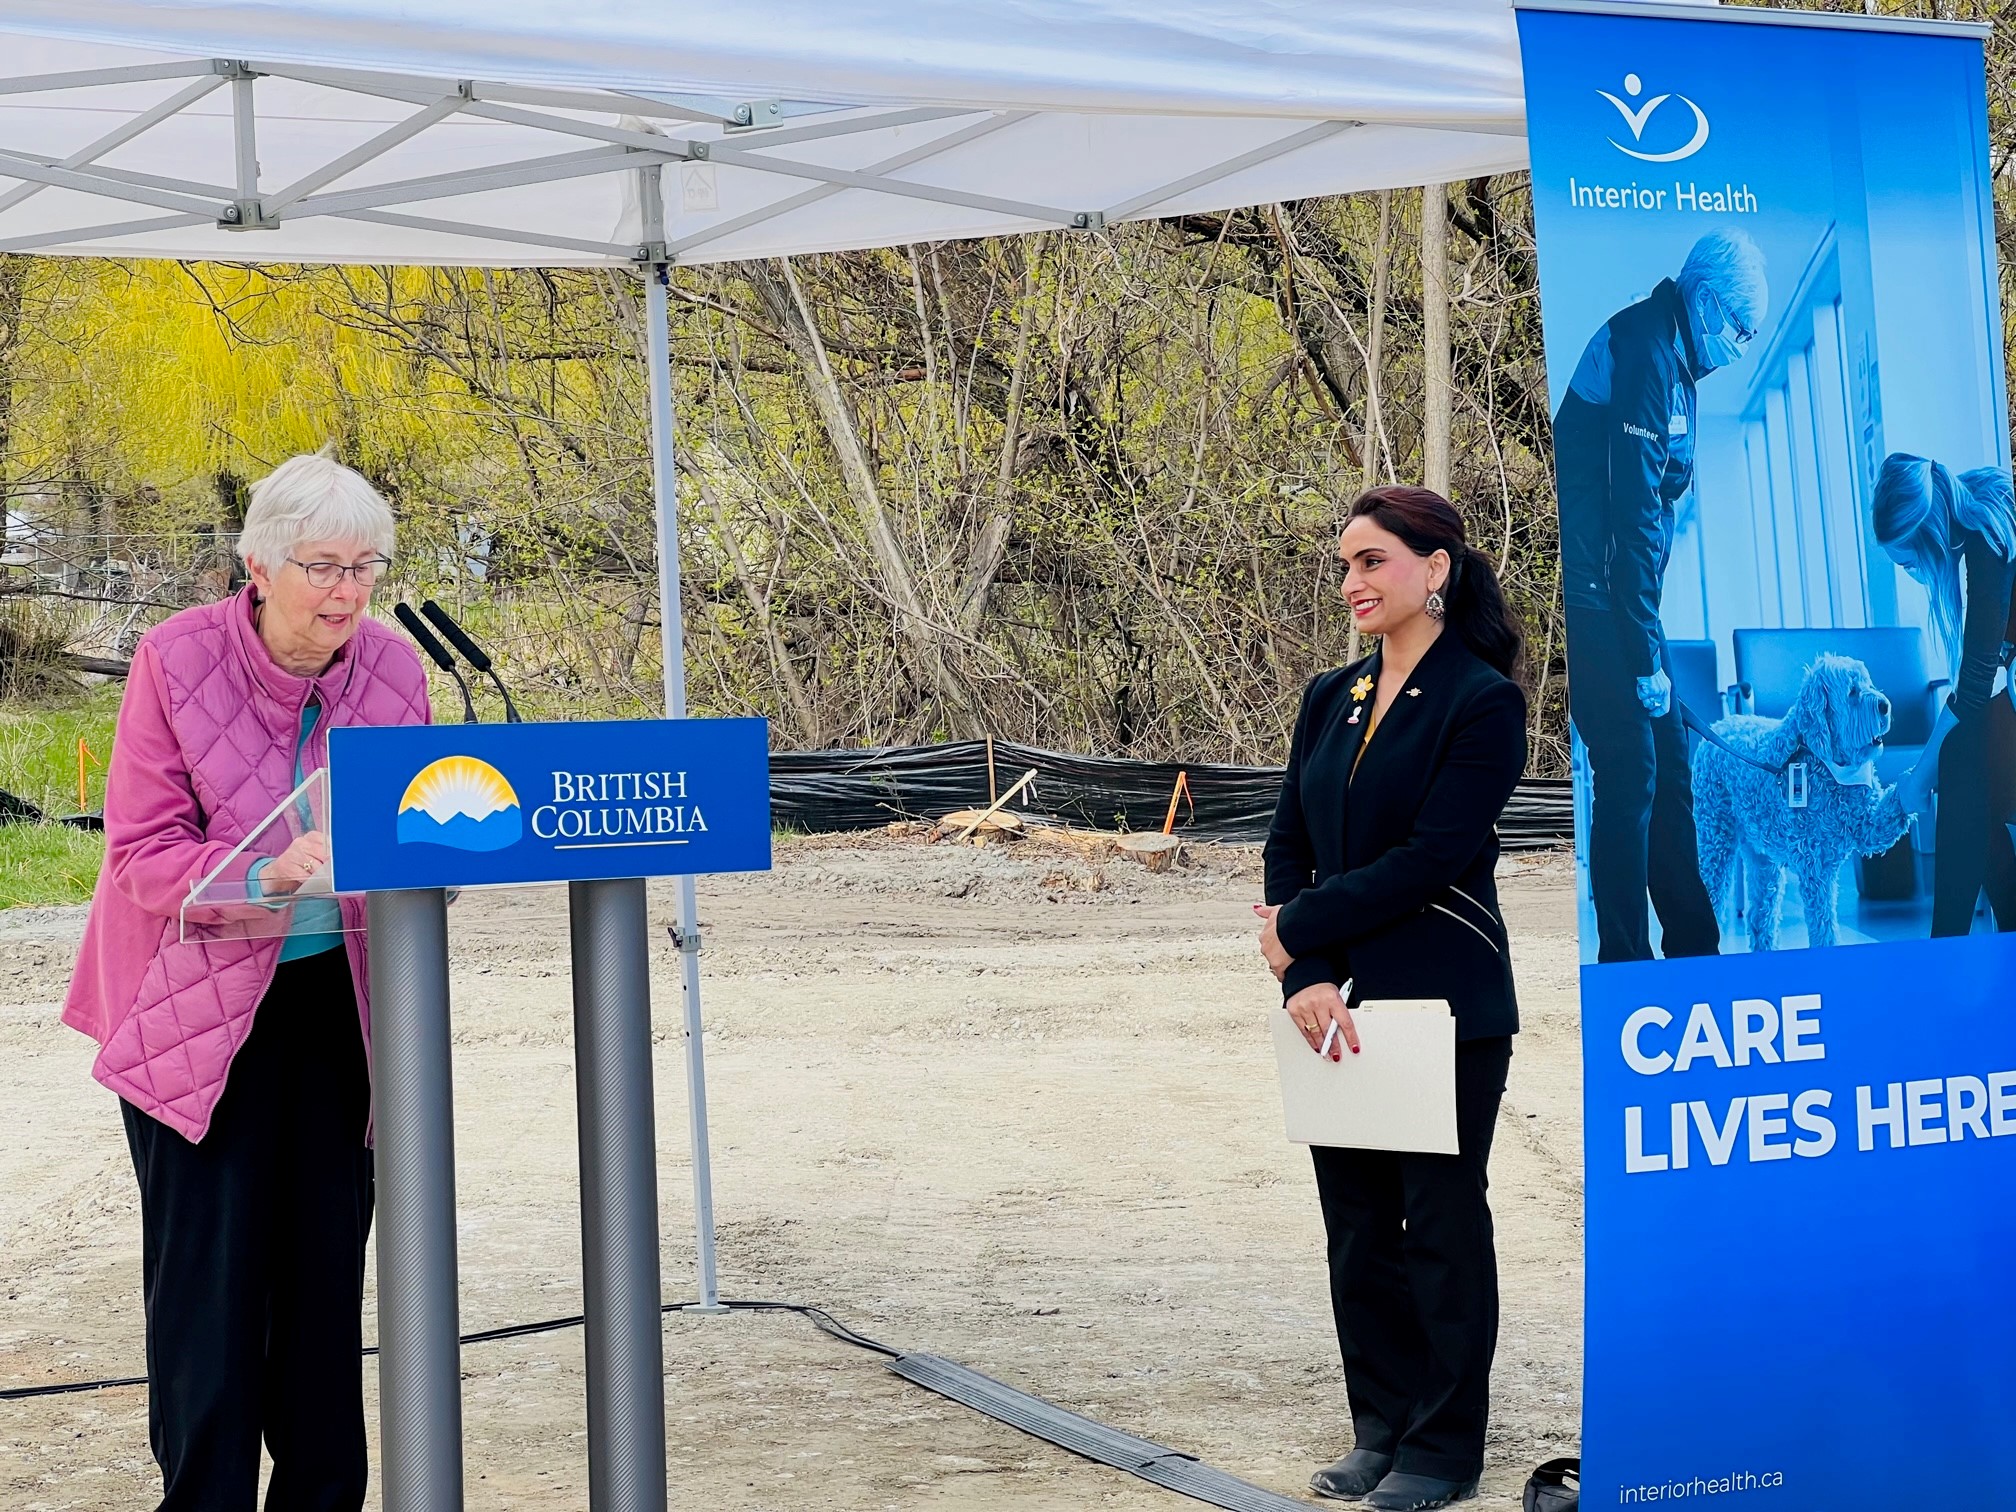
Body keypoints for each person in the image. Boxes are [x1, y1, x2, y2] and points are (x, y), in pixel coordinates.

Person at [62, 450, 431, 1510]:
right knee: (211, 1301)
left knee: (321, 1292)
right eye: (323, 566)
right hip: (194, 1009)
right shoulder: (175, 660)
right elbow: (140, 856)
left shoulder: (397, 672)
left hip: (338, 1013)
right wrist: (265, 871)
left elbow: (421, 832)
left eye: (368, 567)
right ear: (258, 566)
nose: (348, 592)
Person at [1258, 486, 1528, 1511]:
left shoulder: (1481, 701)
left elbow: (1431, 859)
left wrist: (1292, 929)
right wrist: (1305, 970)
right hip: (1333, 1006)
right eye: (1345, 566)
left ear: (1437, 567)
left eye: (1372, 561)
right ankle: (1381, 1425)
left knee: (1440, 1227)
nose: (1352, 583)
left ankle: (1444, 1449)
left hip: (1441, 1005)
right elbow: (1291, 842)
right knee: (1358, 1226)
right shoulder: (1334, 696)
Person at [1556, 229, 1768, 962]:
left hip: (1621, 596)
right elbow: (1636, 513)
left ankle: (1696, 949)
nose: (1742, 346)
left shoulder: (1675, 358)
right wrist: (1646, 657)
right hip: (1593, 597)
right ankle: (1624, 961)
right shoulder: (1650, 350)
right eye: (1742, 329)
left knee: (1671, 763)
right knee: (1632, 770)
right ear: (1707, 301)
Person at [1871, 453, 2016, 934]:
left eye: (1910, 563)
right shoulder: (1982, 505)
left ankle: (1947, 947)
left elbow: (1974, 685)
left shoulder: (1985, 537)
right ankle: (1971, 942)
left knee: (1959, 762)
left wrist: (1917, 778)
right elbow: (1980, 678)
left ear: (1931, 535)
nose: (1914, 576)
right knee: (1967, 773)